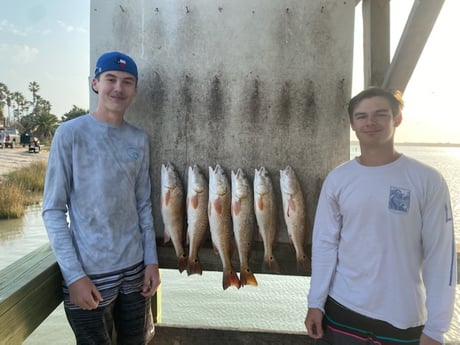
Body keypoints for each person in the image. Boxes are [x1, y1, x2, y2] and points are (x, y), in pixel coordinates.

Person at [305, 87, 456, 345]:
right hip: (341, 310)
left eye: (380, 114)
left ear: (397, 119)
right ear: (352, 124)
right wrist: (315, 302)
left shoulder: (427, 179)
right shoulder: (338, 179)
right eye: (361, 116)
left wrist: (436, 328)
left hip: (402, 318)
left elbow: (440, 255)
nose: (370, 122)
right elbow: (325, 243)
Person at [42, 51, 161, 344]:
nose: (118, 88)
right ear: (95, 83)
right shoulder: (69, 134)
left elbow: (143, 205)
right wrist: (74, 276)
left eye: (127, 82)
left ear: (134, 90)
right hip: (89, 275)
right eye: (111, 79)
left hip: (135, 272)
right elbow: (53, 210)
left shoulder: (138, 139)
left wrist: (151, 262)